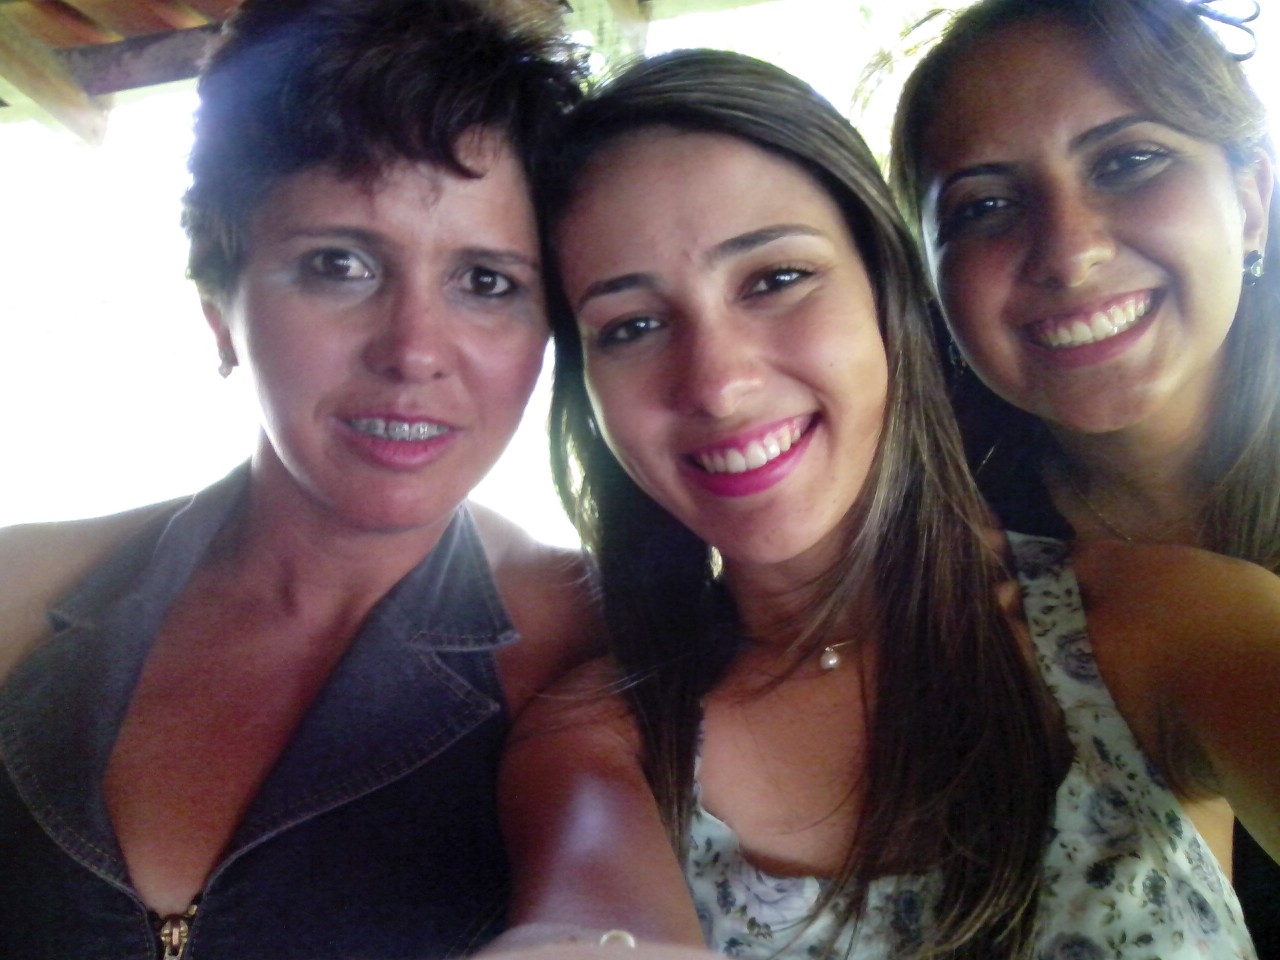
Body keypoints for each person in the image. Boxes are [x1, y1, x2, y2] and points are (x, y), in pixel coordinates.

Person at [487, 49, 1280, 960]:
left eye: (776, 279)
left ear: (889, 296)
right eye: (631, 325)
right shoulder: (601, 739)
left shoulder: (1158, 625)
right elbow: (585, 922)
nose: (717, 384)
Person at [0, 0, 598, 957]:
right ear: (220, 310)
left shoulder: (603, 643)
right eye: (339, 264)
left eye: (487, 281)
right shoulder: (17, 593)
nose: (414, 351)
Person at [887, 0, 1279, 949]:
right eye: (985, 206)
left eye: (1128, 160)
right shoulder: (930, 571)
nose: (1069, 253)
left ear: (1252, 199)